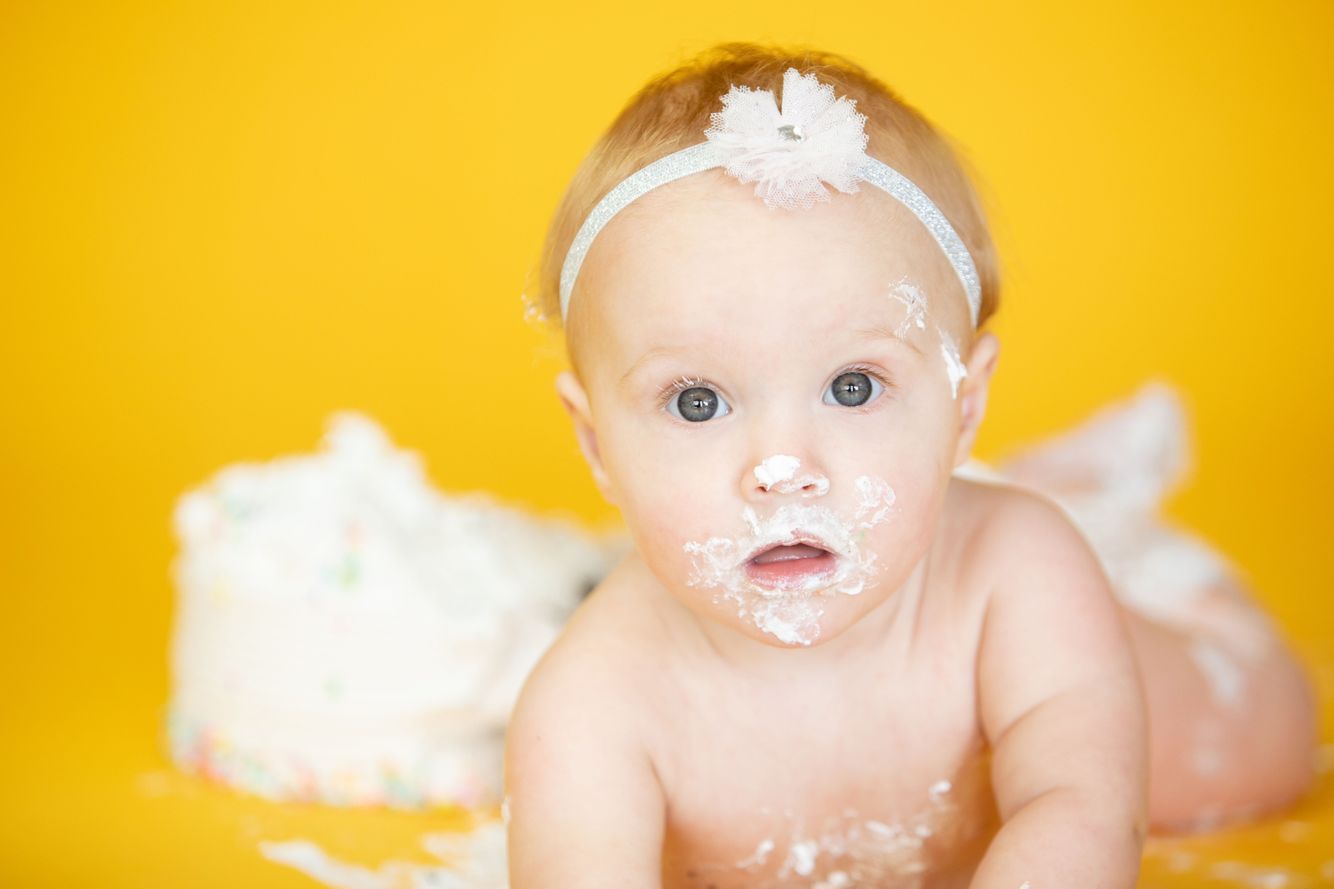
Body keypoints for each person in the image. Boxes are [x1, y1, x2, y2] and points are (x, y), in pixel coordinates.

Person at [502, 43, 1317, 888]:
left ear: (965, 403)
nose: (782, 470)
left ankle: (1100, 512)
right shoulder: (590, 705)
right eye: (698, 401)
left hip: (1167, 667)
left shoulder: (1014, 574)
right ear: (597, 445)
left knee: (1263, 735)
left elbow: (1078, 805)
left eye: (852, 387)